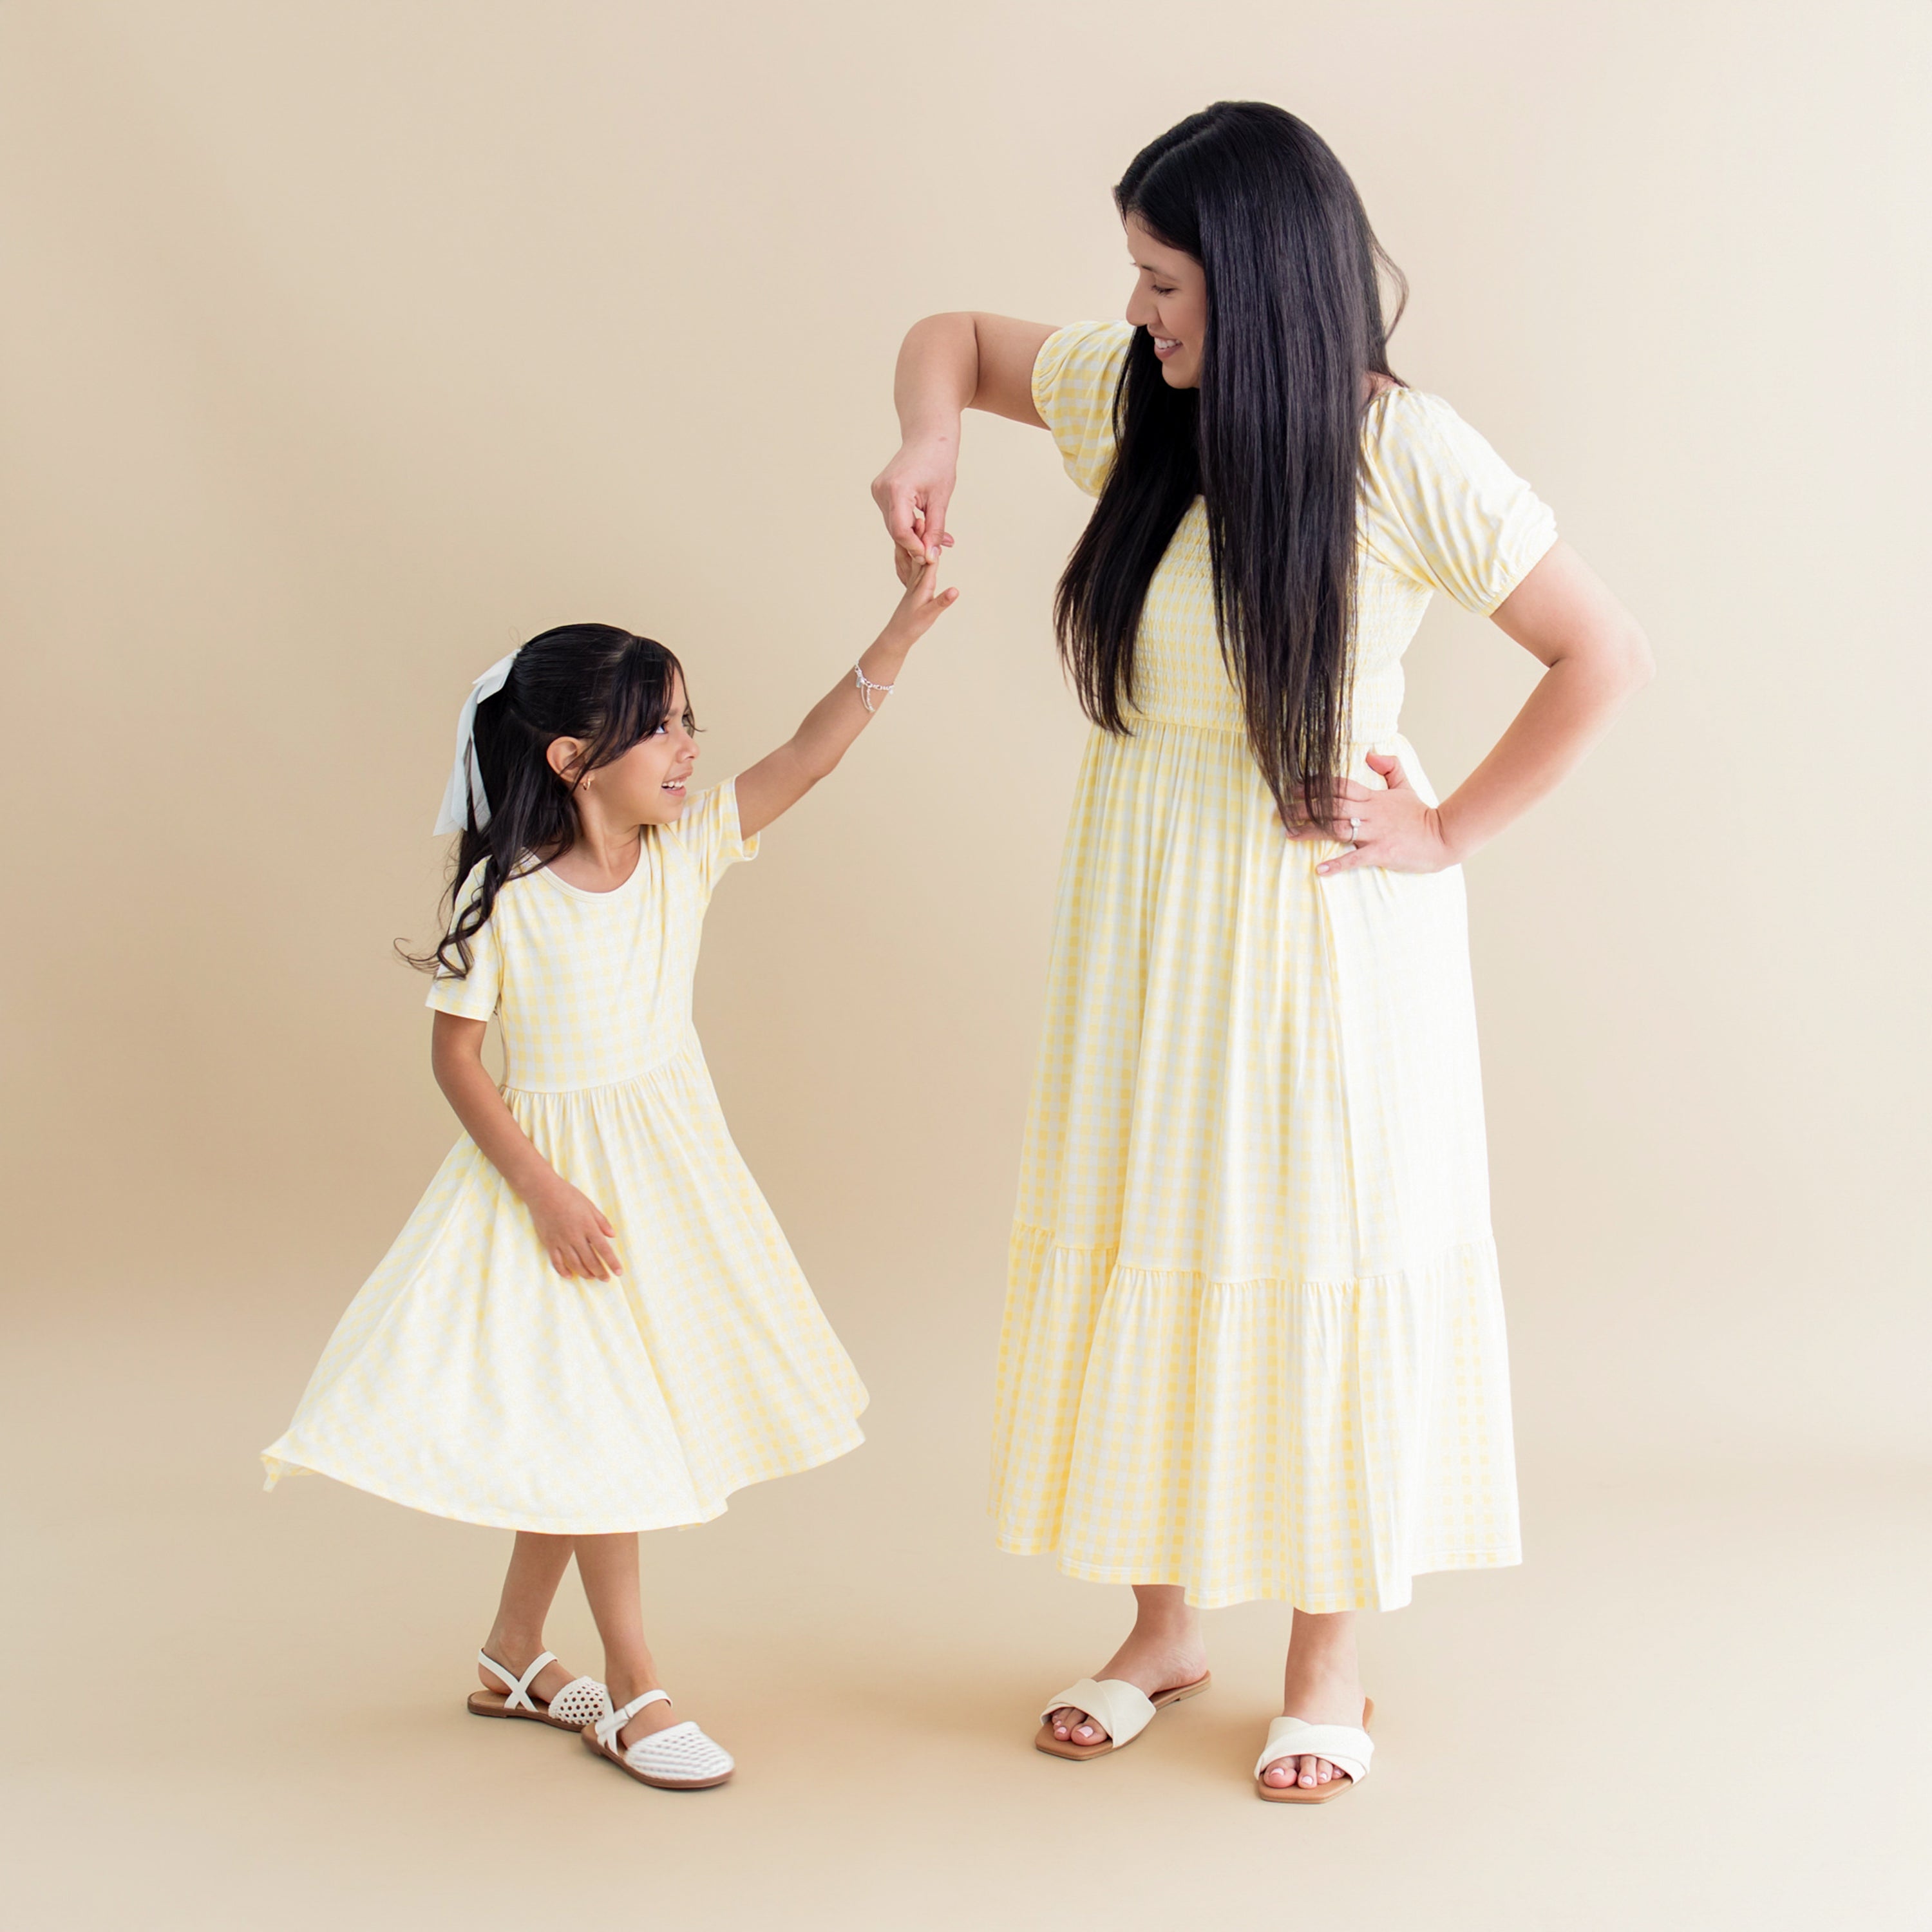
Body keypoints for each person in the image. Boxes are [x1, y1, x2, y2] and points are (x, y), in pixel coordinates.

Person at [871, 100, 1653, 1802]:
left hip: (1318, 932)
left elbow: (1600, 650)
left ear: (1264, 281)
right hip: (1144, 900)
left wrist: (1444, 833)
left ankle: (1329, 1664)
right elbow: (950, 336)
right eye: (1135, 277)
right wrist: (927, 441)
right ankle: (1162, 1628)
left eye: (1167, 281)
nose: (1138, 311)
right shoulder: (1138, 403)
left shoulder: (1402, 452)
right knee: (1153, 1225)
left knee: (1317, 1252)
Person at [261, 564, 958, 1790]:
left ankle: (513, 1652)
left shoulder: (684, 857)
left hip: (668, 1184)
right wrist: (540, 1187)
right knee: (608, 1438)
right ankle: (636, 1690)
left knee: (596, 1428)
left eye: (691, 721)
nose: (690, 748)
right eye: (663, 728)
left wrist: (897, 632)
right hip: (556, 1205)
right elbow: (457, 1055)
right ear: (579, 756)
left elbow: (809, 754)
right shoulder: (515, 902)